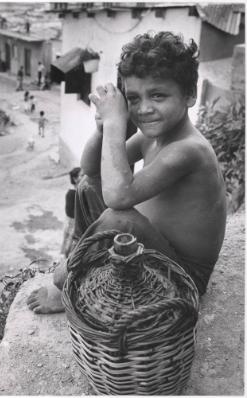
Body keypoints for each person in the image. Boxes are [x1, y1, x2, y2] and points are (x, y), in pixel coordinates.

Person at [27, 31, 227, 314]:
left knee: (119, 217)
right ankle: (86, 264)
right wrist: (103, 128)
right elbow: (91, 169)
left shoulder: (189, 150)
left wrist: (116, 124)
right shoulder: (152, 138)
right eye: (133, 98)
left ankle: (65, 281)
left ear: (190, 96)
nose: (144, 109)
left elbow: (119, 198)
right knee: (87, 186)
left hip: (182, 277)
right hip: (151, 248)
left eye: (158, 95)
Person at [60, 168, 83, 258]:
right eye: (82, 175)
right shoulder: (71, 194)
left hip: (75, 221)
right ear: (75, 179)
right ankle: (67, 258)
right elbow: (70, 213)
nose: (85, 177)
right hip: (73, 222)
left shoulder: (79, 191)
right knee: (70, 241)